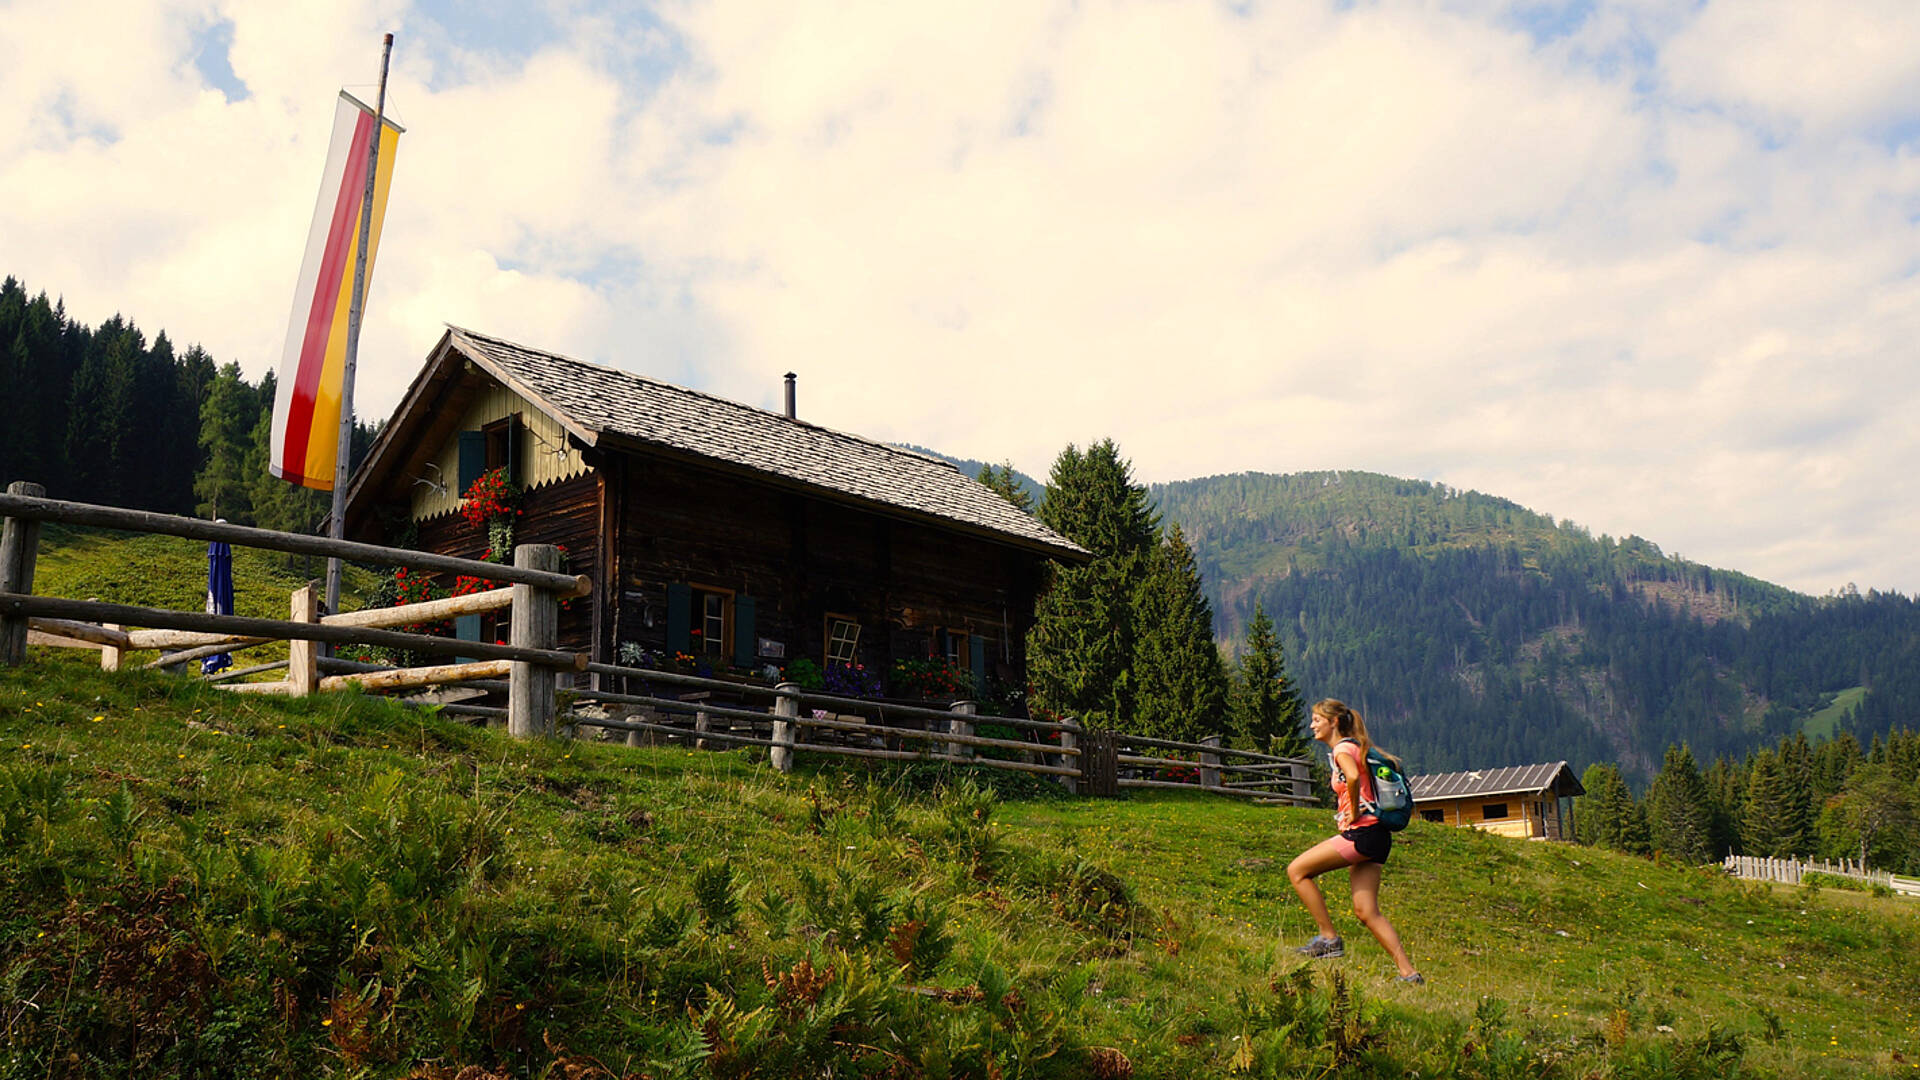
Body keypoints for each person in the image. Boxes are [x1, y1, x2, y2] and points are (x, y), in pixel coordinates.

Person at [1285, 698, 1423, 984]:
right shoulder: (1356, 748)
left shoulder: (1342, 750)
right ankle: (1409, 974)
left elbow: (1350, 776)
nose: (1312, 725)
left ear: (1333, 722)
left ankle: (1328, 939)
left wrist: (1356, 810)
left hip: (1362, 832)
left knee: (1297, 871)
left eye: (1316, 720)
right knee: (1367, 911)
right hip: (1378, 837)